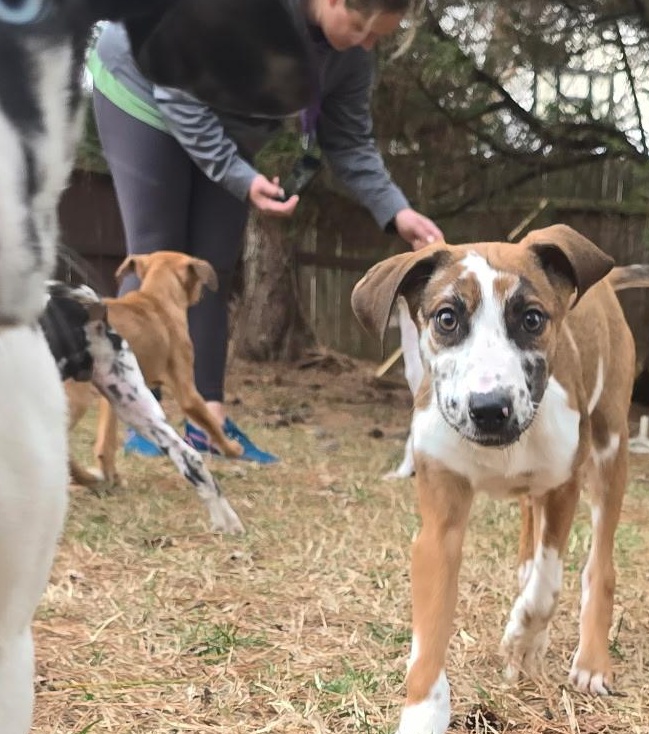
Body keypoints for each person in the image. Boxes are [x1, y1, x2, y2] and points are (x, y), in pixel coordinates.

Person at [88, 0, 444, 464]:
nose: (366, 44)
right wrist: (238, 176)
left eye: (378, 37)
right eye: (360, 27)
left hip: (226, 125)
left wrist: (397, 211)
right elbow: (178, 93)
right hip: (145, 89)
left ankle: (204, 424)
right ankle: (139, 412)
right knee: (157, 255)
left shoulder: (352, 56)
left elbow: (350, 142)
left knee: (210, 268)